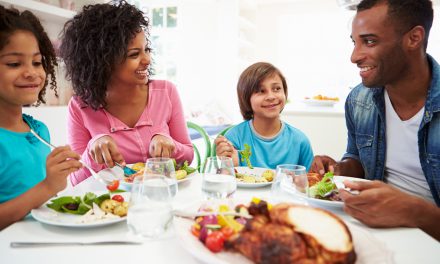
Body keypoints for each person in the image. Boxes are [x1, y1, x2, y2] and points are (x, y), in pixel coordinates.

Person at [310, 0, 440, 240]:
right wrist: (339, 168)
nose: (354, 56)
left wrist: (415, 211)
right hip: (373, 231)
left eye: (369, 41)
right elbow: (358, 157)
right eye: (354, 42)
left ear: (414, 38)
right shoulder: (359, 100)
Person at [59, 1, 193, 186]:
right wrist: (93, 152)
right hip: (113, 206)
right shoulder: (80, 107)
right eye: (134, 54)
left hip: (163, 196)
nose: (147, 60)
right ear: (103, 62)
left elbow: (188, 155)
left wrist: (170, 144)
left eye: (146, 49)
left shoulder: (166, 92)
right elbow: (76, 181)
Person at [0, 6, 82, 229]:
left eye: (37, 62)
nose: (31, 72)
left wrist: (58, 178)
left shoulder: (38, 130)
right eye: (14, 64)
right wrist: (48, 186)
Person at [215, 62, 314, 170]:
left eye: (276, 89)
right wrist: (229, 166)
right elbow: (225, 182)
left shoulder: (300, 141)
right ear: (246, 98)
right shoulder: (234, 137)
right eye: (261, 91)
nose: (271, 96)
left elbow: (309, 182)